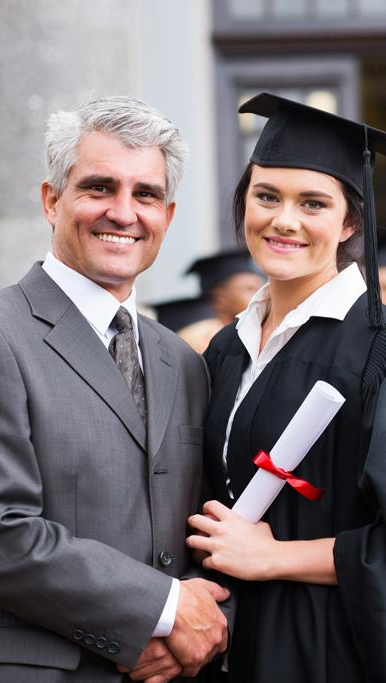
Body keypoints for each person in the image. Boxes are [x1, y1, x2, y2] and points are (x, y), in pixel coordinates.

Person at [0, 96, 229, 683]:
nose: (123, 213)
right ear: (52, 200)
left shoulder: (182, 360)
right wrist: (163, 609)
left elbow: (204, 528)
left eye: (145, 194)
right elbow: (1, 528)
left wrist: (198, 629)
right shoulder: (2, 334)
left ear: (167, 216)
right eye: (99, 187)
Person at [187, 92, 386, 683]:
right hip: (224, 642)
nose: (284, 220)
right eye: (266, 196)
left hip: (327, 650)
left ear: (350, 222)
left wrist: (273, 557)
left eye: (313, 203)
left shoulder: (375, 350)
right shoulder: (226, 348)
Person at [179, 250, 265, 353]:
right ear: (220, 298)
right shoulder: (201, 339)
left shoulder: (254, 334)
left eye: (260, 288)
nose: (260, 295)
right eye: (249, 289)